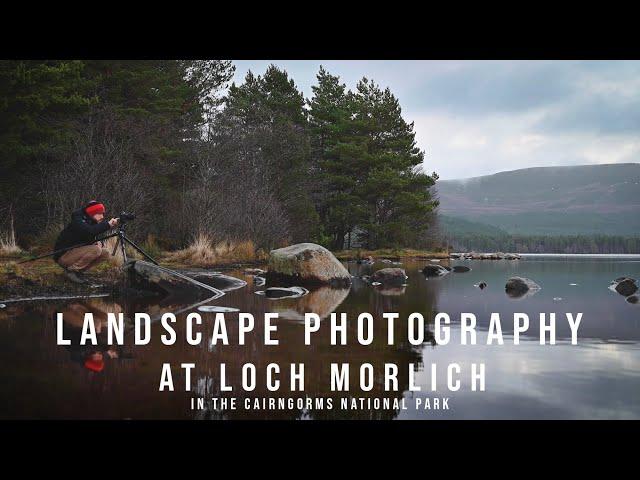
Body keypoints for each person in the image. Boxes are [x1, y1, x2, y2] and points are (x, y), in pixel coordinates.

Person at [53, 201, 118, 284]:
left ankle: (79, 271)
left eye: (103, 214)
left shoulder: (90, 222)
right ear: (92, 213)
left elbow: (87, 237)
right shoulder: (78, 221)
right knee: (96, 250)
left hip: (75, 253)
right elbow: (89, 231)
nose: (102, 216)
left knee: (105, 252)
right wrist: (108, 225)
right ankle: (71, 271)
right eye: (99, 213)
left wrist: (97, 242)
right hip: (64, 256)